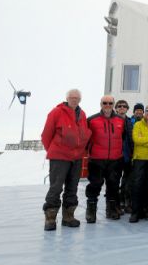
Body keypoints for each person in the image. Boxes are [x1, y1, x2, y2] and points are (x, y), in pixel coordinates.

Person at [41, 89, 92, 231]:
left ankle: (68, 217)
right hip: (60, 157)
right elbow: (46, 135)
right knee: (56, 187)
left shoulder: (82, 114)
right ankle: (50, 218)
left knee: (72, 187)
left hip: (76, 157)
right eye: (71, 97)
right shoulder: (56, 112)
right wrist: (53, 150)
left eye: (77, 98)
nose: (74, 100)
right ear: (67, 98)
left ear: (80, 99)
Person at [85, 95, 126, 223]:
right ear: (100, 104)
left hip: (115, 159)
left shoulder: (121, 120)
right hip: (96, 159)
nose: (107, 106)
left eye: (110, 103)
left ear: (113, 104)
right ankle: (91, 210)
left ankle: (111, 209)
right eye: (105, 103)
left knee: (113, 184)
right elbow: (86, 138)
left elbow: (124, 137)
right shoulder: (92, 120)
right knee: (95, 184)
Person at [114, 99, 133, 214]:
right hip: (115, 156)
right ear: (116, 108)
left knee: (127, 181)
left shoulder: (130, 122)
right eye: (119, 106)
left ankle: (126, 202)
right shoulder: (112, 120)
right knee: (114, 181)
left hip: (128, 155)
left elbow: (132, 140)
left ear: (127, 109)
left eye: (124, 106)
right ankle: (115, 204)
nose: (122, 108)